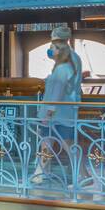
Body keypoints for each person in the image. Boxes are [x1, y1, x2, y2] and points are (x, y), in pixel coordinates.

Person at [32, 26, 82, 185]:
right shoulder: (72, 60)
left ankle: (82, 174)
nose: (50, 50)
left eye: (52, 46)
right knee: (46, 142)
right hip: (61, 111)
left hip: (59, 112)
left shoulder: (65, 66)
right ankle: (41, 171)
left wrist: (48, 112)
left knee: (66, 143)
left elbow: (58, 90)